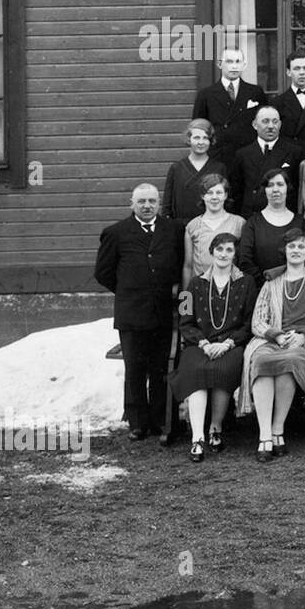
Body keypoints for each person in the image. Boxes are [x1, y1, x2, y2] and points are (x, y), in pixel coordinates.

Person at [94, 183, 186, 441]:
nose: (147, 206)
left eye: (152, 201)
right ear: (131, 203)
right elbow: (103, 273)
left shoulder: (173, 230)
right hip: (132, 313)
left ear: (159, 203)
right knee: (134, 368)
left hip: (164, 312)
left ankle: (160, 419)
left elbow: (180, 265)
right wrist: (129, 290)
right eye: (142, 201)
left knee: (161, 368)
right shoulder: (115, 233)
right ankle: (137, 422)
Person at [238, 229, 305, 461]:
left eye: (301, 246)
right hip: (273, 340)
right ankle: (265, 435)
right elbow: (258, 319)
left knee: (289, 361)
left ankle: (278, 428)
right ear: (285, 251)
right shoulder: (272, 282)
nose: (296, 251)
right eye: (292, 247)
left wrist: (303, 336)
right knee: (260, 359)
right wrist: (277, 336)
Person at [171, 231, 257, 461]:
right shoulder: (193, 284)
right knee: (196, 370)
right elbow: (184, 319)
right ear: (211, 252)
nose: (224, 254)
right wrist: (203, 342)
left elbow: (250, 322)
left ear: (235, 254)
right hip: (198, 344)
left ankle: (215, 429)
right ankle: (197, 437)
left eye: (229, 250)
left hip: (231, 344)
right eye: (219, 249)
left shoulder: (247, 283)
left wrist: (228, 343)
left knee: (223, 369)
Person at [190, 47, 266, 166]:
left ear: (244, 65)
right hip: (218, 157)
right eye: (229, 61)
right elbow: (198, 128)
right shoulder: (206, 95)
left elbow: (264, 124)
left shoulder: (255, 92)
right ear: (219, 64)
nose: (234, 66)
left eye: (238, 62)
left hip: (248, 157)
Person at [230, 105, 300, 218]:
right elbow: (237, 192)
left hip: (284, 216)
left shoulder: (294, 152)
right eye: (265, 121)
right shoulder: (242, 154)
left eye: (275, 121)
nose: (271, 126)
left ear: (280, 125)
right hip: (252, 218)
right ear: (255, 125)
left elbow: (297, 189)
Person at [238, 169, 305, 281]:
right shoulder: (252, 223)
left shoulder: (299, 222)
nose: (275, 189)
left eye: (280, 184)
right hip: (262, 288)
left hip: (295, 287)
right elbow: (245, 261)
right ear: (265, 190)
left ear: (287, 188)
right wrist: (269, 282)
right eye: (270, 185)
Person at [182, 174, 245, 283]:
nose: (214, 197)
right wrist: (186, 298)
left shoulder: (239, 223)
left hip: (231, 288)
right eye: (209, 193)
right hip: (201, 289)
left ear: (225, 195)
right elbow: (188, 266)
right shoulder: (192, 226)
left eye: (219, 193)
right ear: (203, 196)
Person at [163, 118, 227, 220]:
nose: (201, 142)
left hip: (212, 226)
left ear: (210, 141)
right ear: (189, 139)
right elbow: (167, 204)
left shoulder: (219, 168)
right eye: (197, 137)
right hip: (182, 227)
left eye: (205, 138)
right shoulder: (177, 168)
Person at [272, 48, 305, 160]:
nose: (302, 72)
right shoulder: (277, 102)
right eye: (297, 68)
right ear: (288, 72)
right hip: (288, 158)